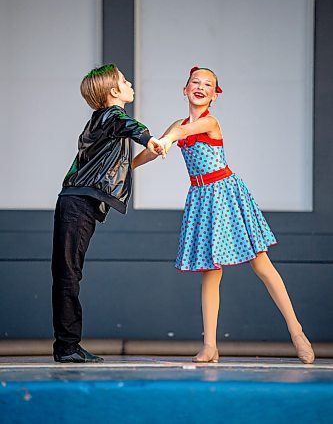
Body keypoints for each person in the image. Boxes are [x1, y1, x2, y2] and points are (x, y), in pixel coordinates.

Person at [132, 66, 315, 364]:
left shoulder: (209, 121)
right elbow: (156, 148)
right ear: (185, 89)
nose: (200, 87)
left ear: (214, 96)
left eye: (208, 84)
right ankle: (210, 346)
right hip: (202, 199)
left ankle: (297, 333)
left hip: (226, 193)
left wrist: (168, 140)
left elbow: (180, 133)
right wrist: (130, 167)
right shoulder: (178, 123)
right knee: (211, 272)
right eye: (195, 82)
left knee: (262, 264)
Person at [52, 64, 164, 363]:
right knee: (68, 273)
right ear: (113, 91)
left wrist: (146, 153)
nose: (130, 84)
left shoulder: (102, 123)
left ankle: (68, 344)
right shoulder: (112, 116)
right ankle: (67, 346)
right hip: (77, 203)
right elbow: (130, 125)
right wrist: (148, 137)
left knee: (69, 272)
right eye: (124, 81)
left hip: (78, 202)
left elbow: (116, 164)